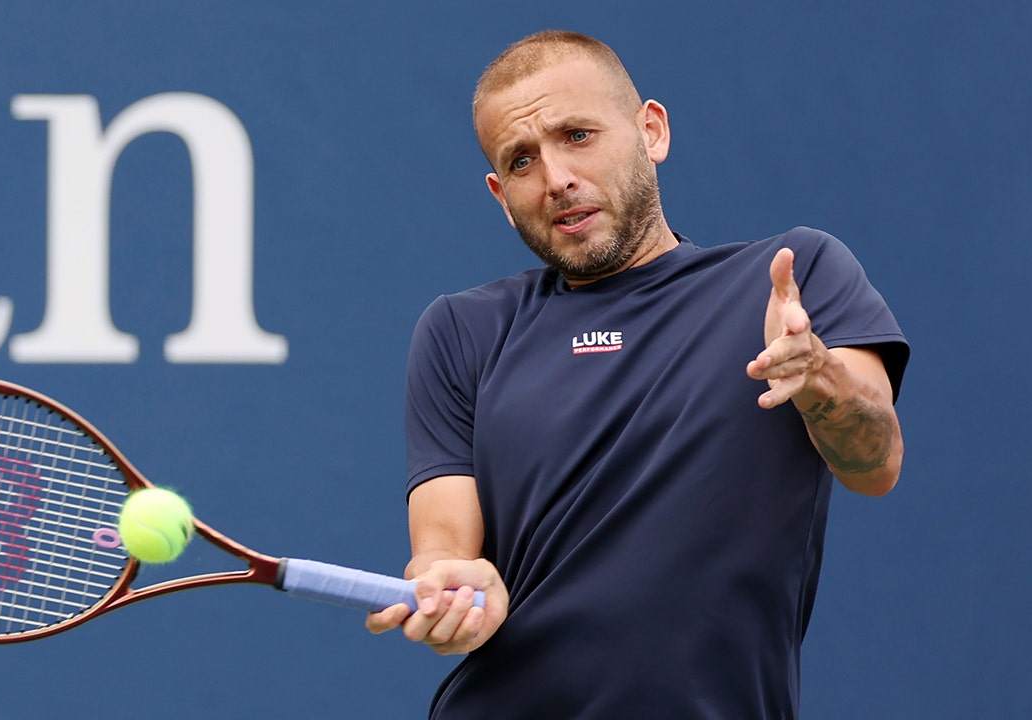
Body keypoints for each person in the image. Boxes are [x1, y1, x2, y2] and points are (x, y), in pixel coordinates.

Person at [365, 29, 909, 719]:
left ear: (651, 131)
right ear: (502, 195)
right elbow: (443, 546)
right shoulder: (461, 331)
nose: (556, 177)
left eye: (578, 135)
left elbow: (876, 464)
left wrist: (820, 381)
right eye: (523, 160)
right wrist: (452, 588)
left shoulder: (792, 279)